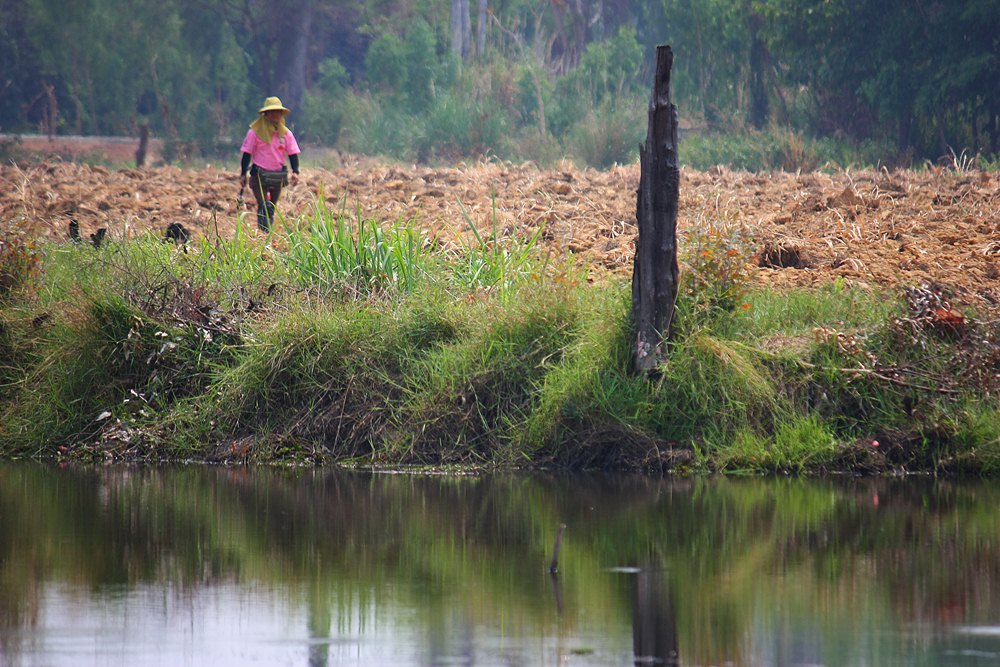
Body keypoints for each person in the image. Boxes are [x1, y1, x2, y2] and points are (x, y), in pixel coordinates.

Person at [239, 96, 301, 232]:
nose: (275, 115)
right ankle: (263, 233)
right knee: (263, 205)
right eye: (272, 112)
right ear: (265, 114)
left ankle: (267, 233)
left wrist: (295, 171)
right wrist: (243, 174)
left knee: (271, 206)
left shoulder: (285, 134)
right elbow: (247, 154)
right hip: (259, 175)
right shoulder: (254, 133)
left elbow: (292, 153)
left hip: (277, 175)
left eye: (278, 112)